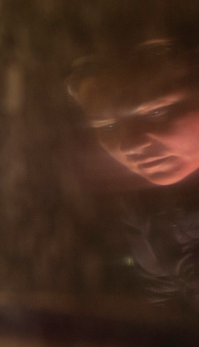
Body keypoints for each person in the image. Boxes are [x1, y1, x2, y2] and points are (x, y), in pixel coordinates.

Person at [67, 39, 199, 311]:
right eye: (109, 126)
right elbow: (164, 301)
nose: (129, 145)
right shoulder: (144, 204)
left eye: (157, 111)